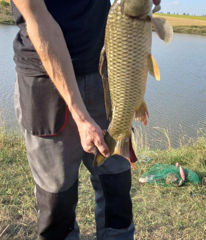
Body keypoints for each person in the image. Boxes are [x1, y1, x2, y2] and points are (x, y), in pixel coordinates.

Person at [11, 0, 160, 239]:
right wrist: (80, 117)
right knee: (56, 200)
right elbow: (39, 21)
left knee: (116, 188)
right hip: (45, 78)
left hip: (106, 73)